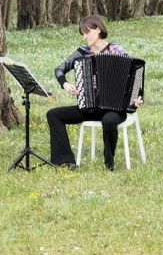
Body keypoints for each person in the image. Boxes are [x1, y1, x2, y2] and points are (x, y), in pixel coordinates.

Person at [46, 15, 143, 171]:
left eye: (87, 32)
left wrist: (134, 100)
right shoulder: (82, 53)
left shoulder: (117, 50)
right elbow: (59, 69)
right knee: (53, 114)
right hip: (89, 108)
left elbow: (132, 79)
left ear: (98, 29)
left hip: (115, 110)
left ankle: (109, 163)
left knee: (109, 120)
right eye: (82, 34)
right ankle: (65, 161)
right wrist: (65, 84)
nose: (84, 37)